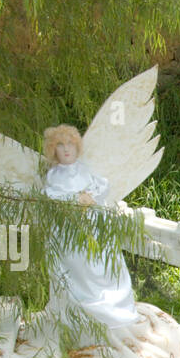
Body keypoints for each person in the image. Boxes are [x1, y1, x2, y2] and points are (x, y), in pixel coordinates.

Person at [41, 124, 139, 328]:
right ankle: (79, 308)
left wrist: (90, 196)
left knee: (102, 260)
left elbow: (101, 186)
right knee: (75, 261)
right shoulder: (54, 176)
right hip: (69, 228)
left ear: (77, 147)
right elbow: (51, 197)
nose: (66, 149)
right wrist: (74, 199)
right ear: (53, 149)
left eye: (70, 144)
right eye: (60, 145)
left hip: (93, 224)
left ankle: (111, 305)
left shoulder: (84, 170)